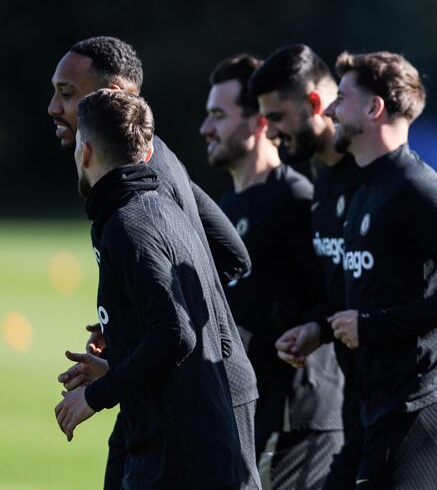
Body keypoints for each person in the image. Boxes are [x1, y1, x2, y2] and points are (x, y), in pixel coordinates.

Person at [49, 36, 260, 489]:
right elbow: (226, 253)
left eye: (68, 92)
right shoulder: (150, 163)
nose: (53, 106)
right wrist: (134, 312)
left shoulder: (142, 186)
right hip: (162, 388)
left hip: (203, 396)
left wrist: (162, 315)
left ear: (120, 95)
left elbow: (185, 315)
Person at [325, 51, 437, 489]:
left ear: (373, 107)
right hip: (383, 406)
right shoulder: (365, 187)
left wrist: (375, 327)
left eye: (341, 98)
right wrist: (320, 331)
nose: (330, 110)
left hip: (422, 408)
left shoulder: (418, 189)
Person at [200, 52, 343, 489]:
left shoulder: (298, 202)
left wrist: (257, 339)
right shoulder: (222, 210)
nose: (206, 129)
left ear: (259, 122)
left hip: (296, 418)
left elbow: (334, 300)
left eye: (218, 116)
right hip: (248, 413)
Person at [250, 44, 363, 490]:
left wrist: (419, 368)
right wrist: (317, 328)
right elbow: (346, 290)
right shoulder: (323, 177)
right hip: (361, 402)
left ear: (315, 104)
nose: (270, 132)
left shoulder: (376, 175)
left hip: (403, 404)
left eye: (276, 118)